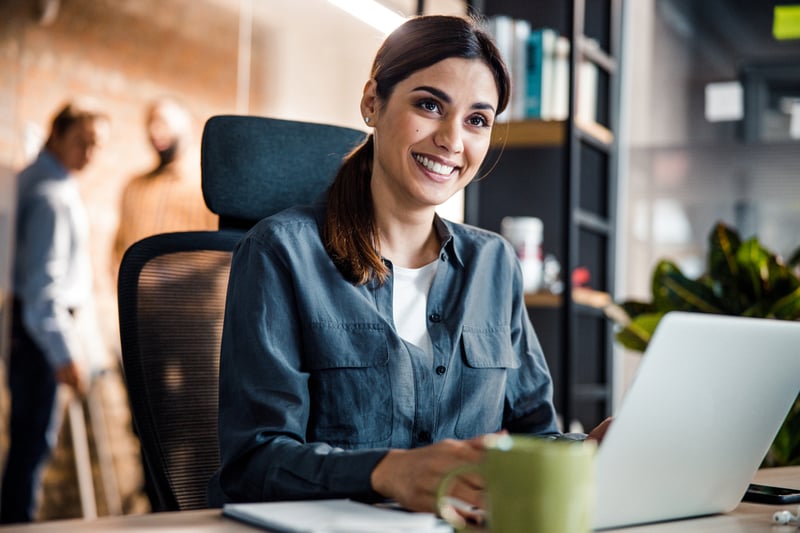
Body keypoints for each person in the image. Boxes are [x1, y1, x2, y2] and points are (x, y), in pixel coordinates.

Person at [211, 14, 610, 516]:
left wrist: (592, 446)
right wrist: (387, 472)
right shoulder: (280, 252)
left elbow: (529, 437)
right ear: (372, 103)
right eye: (429, 105)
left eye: (477, 120)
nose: (452, 139)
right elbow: (253, 463)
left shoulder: (494, 264)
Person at [2, 99, 109, 523]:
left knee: (26, 442)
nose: (89, 153)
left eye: (96, 145)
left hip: (27, 329)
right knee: (32, 445)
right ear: (56, 135)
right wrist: (64, 354)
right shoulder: (51, 196)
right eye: (82, 141)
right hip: (40, 333)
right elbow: (43, 289)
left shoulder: (33, 180)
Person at [112, 96, 216, 268]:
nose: (154, 131)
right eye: (150, 123)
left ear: (187, 125)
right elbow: (119, 248)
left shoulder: (207, 188)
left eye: (163, 122)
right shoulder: (134, 187)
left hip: (190, 293)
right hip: (136, 294)